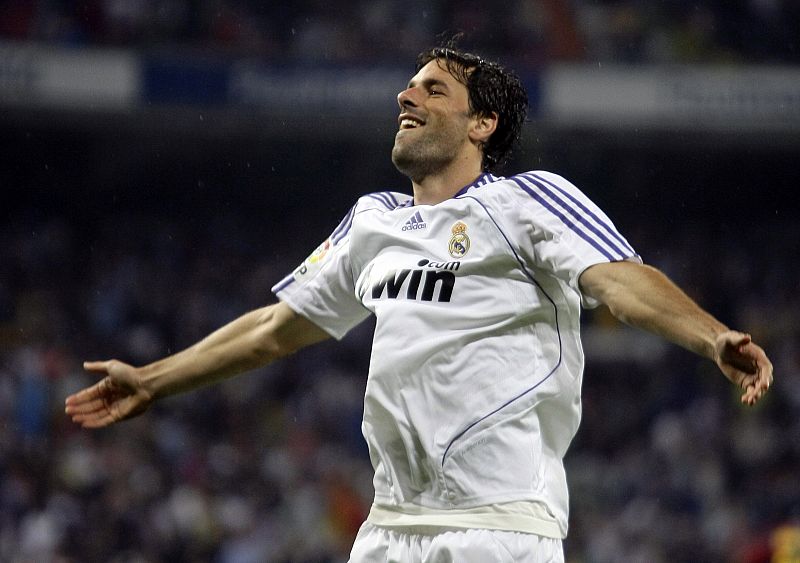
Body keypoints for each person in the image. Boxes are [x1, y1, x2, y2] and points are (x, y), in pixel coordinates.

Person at [65, 44, 774, 562]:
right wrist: (153, 380)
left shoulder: (527, 200)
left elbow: (620, 279)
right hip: (388, 529)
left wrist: (710, 336)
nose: (407, 99)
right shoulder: (372, 221)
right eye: (407, 88)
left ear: (482, 123)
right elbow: (275, 329)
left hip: (498, 528)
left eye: (433, 90)